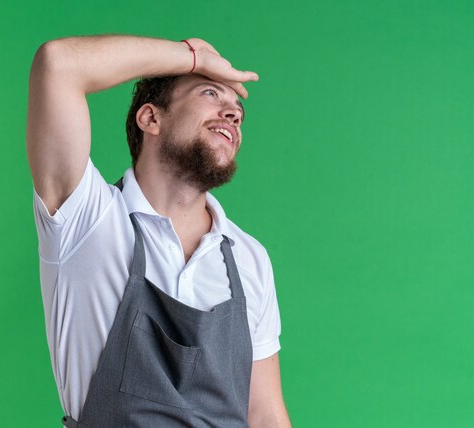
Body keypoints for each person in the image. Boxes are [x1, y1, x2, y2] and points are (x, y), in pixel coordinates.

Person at [26, 35, 291, 427]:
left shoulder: (249, 258)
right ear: (151, 118)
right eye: (211, 93)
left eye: (238, 111)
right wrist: (193, 56)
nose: (232, 114)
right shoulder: (85, 219)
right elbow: (58, 64)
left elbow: (265, 413)